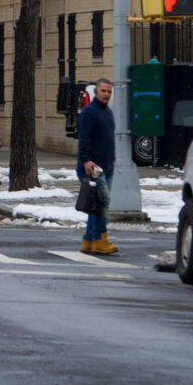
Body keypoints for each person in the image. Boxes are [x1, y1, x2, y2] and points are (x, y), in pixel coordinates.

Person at [76, 77, 117, 254]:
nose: (106, 94)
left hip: (107, 165)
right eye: (103, 91)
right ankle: (101, 238)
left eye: (109, 91)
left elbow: (108, 138)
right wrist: (86, 160)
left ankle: (88, 240)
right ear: (96, 92)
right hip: (93, 167)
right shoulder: (89, 112)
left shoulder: (108, 112)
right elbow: (84, 139)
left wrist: (112, 158)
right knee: (103, 202)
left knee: (96, 205)